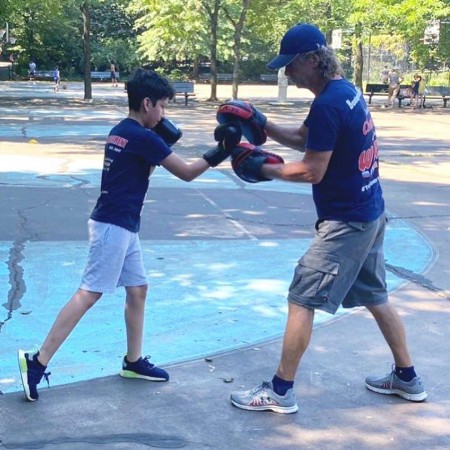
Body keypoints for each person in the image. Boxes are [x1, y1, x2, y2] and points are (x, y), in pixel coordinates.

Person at [224, 23, 427, 414]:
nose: (287, 73)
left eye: (292, 65)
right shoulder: (343, 92)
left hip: (347, 222)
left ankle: (281, 391)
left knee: (301, 297)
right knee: (375, 296)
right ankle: (407, 378)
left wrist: (260, 167)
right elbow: (306, 138)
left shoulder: (331, 103)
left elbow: (312, 169)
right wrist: (262, 124)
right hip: (370, 212)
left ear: (313, 60)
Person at [17, 68, 239, 402]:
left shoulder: (121, 131)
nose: (164, 114)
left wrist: (161, 140)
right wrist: (223, 149)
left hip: (121, 224)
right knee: (89, 293)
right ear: (147, 103)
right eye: (163, 106)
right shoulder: (143, 138)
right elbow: (188, 173)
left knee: (138, 290)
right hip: (113, 227)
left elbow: (142, 171)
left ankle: (133, 361)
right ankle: (38, 361)